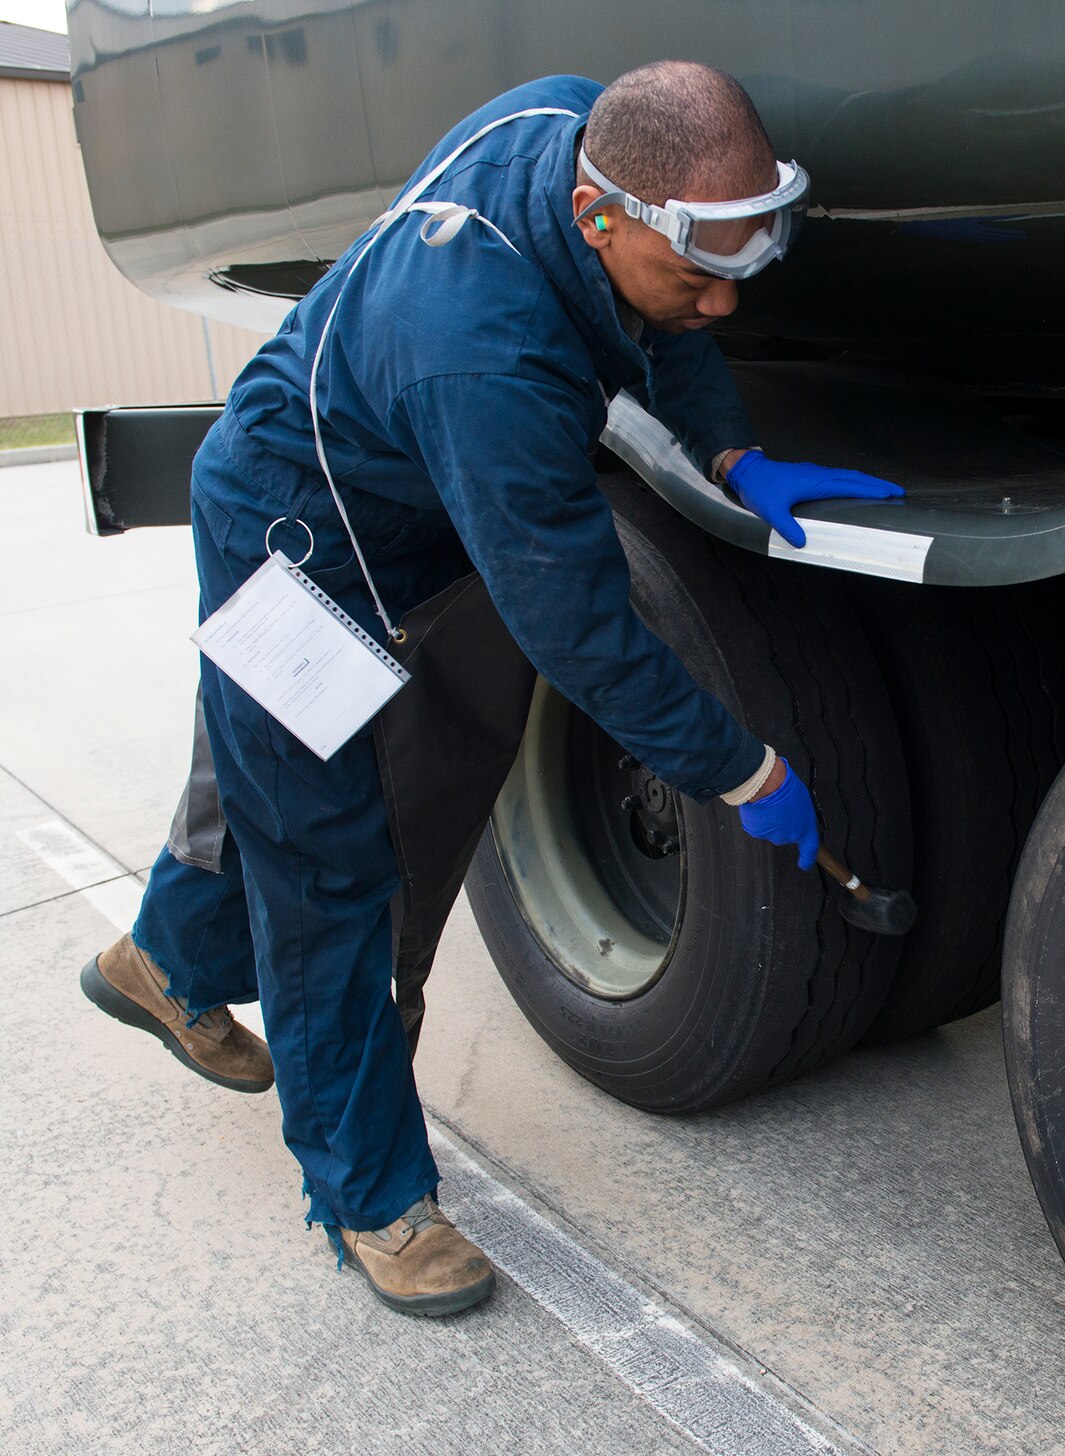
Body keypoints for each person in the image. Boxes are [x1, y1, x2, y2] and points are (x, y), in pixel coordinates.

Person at [77, 62, 901, 1317]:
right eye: (700, 272)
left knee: (289, 809)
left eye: (744, 262)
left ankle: (162, 964)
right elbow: (579, 627)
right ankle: (371, 1199)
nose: (723, 301)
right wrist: (742, 770)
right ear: (597, 215)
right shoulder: (486, 360)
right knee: (333, 869)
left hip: (392, 503)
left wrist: (729, 446)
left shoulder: (570, 125)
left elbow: (653, 318)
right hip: (290, 553)